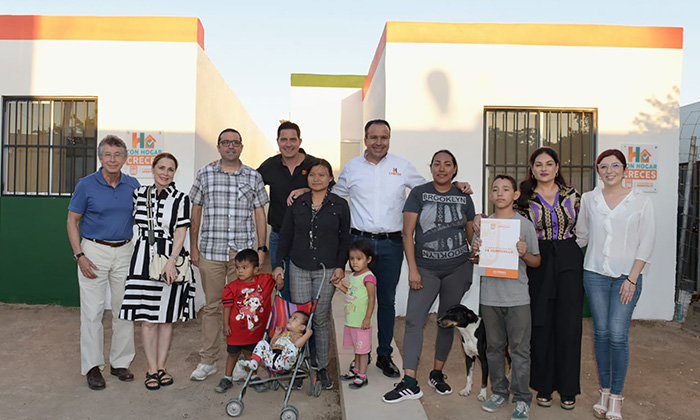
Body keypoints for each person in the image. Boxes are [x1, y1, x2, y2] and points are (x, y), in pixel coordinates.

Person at [382, 150, 475, 403]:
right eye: (437, 164)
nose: (442, 168)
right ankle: (410, 381)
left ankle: (437, 374)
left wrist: (478, 248)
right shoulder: (419, 193)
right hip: (425, 268)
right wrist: (412, 269)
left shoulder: (464, 197)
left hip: (458, 268)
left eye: (447, 164)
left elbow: (470, 237)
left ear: (455, 169)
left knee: (446, 320)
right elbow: (407, 233)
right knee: (414, 320)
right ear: (431, 167)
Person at [576, 149, 655, 420]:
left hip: (626, 276)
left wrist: (632, 278)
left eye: (615, 166)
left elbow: (647, 241)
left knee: (618, 335)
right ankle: (604, 392)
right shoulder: (589, 199)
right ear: (598, 171)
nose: (609, 171)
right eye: (603, 167)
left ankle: (617, 397)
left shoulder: (640, 201)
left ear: (625, 170)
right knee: (601, 333)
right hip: (595, 274)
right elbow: (581, 236)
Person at [189, 128, 270, 381]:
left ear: (241, 147)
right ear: (219, 146)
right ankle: (208, 360)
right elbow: (196, 211)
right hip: (211, 251)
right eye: (226, 142)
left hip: (243, 255)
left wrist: (261, 247)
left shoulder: (253, 176)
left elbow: (259, 213)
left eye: (235, 142)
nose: (231, 146)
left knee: (244, 308)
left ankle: (243, 362)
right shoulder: (205, 174)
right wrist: (193, 247)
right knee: (213, 308)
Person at [67, 134, 139, 390]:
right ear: (100, 158)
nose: (112, 159)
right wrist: (80, 255)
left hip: (124, 251)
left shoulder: (133, 184)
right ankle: (92, 367)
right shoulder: (86, 185)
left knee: (124, 310)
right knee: (92, 312)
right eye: (107, 154)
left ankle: (120, 362)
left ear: (124, 158)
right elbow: (72, 221)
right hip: (93, 252)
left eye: (117, 155)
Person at [118, 153, 195, 390]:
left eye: (170, 169)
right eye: (161, 168)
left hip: (170, 258)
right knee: (148, 319)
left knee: (166, 319)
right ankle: (151, 369)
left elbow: (181, 232)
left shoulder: (181, 199)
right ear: (153, 169)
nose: (165, 173)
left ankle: (162, 367)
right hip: (142, 259)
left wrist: (171, 260)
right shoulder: (139, 194)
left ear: (175, 173)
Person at [516, 147, 584, 409]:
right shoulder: (523, 198)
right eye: (538, 164)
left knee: (569, 325)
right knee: (541, 324)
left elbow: (585, 228)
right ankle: (543, 385)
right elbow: (505, 220)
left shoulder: (573, 195)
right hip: (538, 261)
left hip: (568, 257)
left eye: (549, 164)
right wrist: (479, 219)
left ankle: (568, 389)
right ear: (532, 169)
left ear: (557, 167)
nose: (543, 168)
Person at [273, 158, 350, 390]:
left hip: (326, 271)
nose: (316, 178)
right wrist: (278, 264)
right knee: (299, 321)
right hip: (298, 267)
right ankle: (297, 365)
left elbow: (344, 238)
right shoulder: (298, 203)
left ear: (330, 179)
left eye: (322, 174)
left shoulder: (339, 205)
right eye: (312, 174)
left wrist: (340, 266)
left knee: (320, 319)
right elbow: (285, 236)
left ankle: (323, 367)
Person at [475, 175, 541, 420]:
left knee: (520, 351)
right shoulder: (485, 225)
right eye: (495, 189)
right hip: (490, 298)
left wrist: (524, 254)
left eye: (505, 189)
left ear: (515, 195)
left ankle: (522, 398)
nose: (499, 193)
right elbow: (475, 259)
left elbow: (536, 260)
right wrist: (475, 250)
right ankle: (499, 392)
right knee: (493, 348)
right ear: (491, 196)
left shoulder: (523, 225)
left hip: (517, 298)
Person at [256, 121, 317, 301]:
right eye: (284, 140)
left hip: (308, 238)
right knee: (282, 287)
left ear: (300, 141)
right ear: (278, 141)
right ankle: (286, 327)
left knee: (305, 291)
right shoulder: (270, 166)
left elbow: (332, 189)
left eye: (292, 139)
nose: (288, 144)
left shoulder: (314, 164)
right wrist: (222, 164)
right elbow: (248, 179)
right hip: (279, 236)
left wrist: (307, 190)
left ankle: (303, 328)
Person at [214, 249, 282, 393]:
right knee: (232, 354)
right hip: (235, 331)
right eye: (237, 268)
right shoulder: (232, 287)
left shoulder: (264, 281)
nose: (240, 271)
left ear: (256, 269)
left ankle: (253, 376)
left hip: (254, 331)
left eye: (245, 268)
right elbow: (227, 307)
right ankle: (227, 377)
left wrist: (280, 279)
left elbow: (276, 278)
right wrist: (225, 325)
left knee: (251, 354)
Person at [332, 240, 377, 389]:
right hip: (351, 320)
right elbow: (351, 293)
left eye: (359, 258)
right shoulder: (353, 276)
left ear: (368, 259)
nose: (354, 262)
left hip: (361, 322)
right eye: (352, 259)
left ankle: (362, 376)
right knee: (357, 348)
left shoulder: (369, 277)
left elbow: (372, 299)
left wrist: (367, 318)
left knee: (362, 350)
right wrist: (340, 286)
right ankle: (356, 369)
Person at [238, 311, 313, 373]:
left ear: (302, 327)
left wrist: (307, 334)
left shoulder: (299, 336)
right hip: (270, 358)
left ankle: (287, 361)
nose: (290, 319)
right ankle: (254, 361)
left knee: (293, 346)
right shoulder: (283, 333)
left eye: (294, 319)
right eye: (290, 317)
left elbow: (298, 345)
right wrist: (276, 335)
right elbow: (272, 344)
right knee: (263, 342)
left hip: (283, 360)